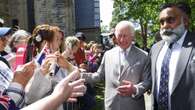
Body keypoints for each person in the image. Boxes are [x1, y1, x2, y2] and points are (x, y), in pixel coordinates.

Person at [81, 21, 151, 110]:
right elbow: (99, 76)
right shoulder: (108, 54)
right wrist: (79, 75)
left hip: (133, 106)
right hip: (111, 105)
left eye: (125, 36)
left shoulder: (144, 56)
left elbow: (147, 81)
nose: (121, 40)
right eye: (119, 36)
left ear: (132, 36)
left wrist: (135, 89)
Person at [150, 2, 195, 110]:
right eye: (161, 22)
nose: (165, 26)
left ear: (185, 21)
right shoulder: (155, 48)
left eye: (171, 20)